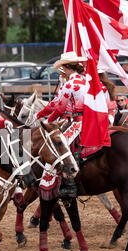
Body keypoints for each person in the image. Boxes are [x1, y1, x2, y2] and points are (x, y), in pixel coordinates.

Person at [36, 51, 88, 197]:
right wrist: (40, 114)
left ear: (66, 68)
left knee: (59, 145)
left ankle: (69, 184)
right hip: (87, 119)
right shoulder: (85, 80)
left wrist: (46, 121)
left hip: (79, 122)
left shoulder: (70, 84)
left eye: (63, 69)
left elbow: (59, 108)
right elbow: (56, 103)